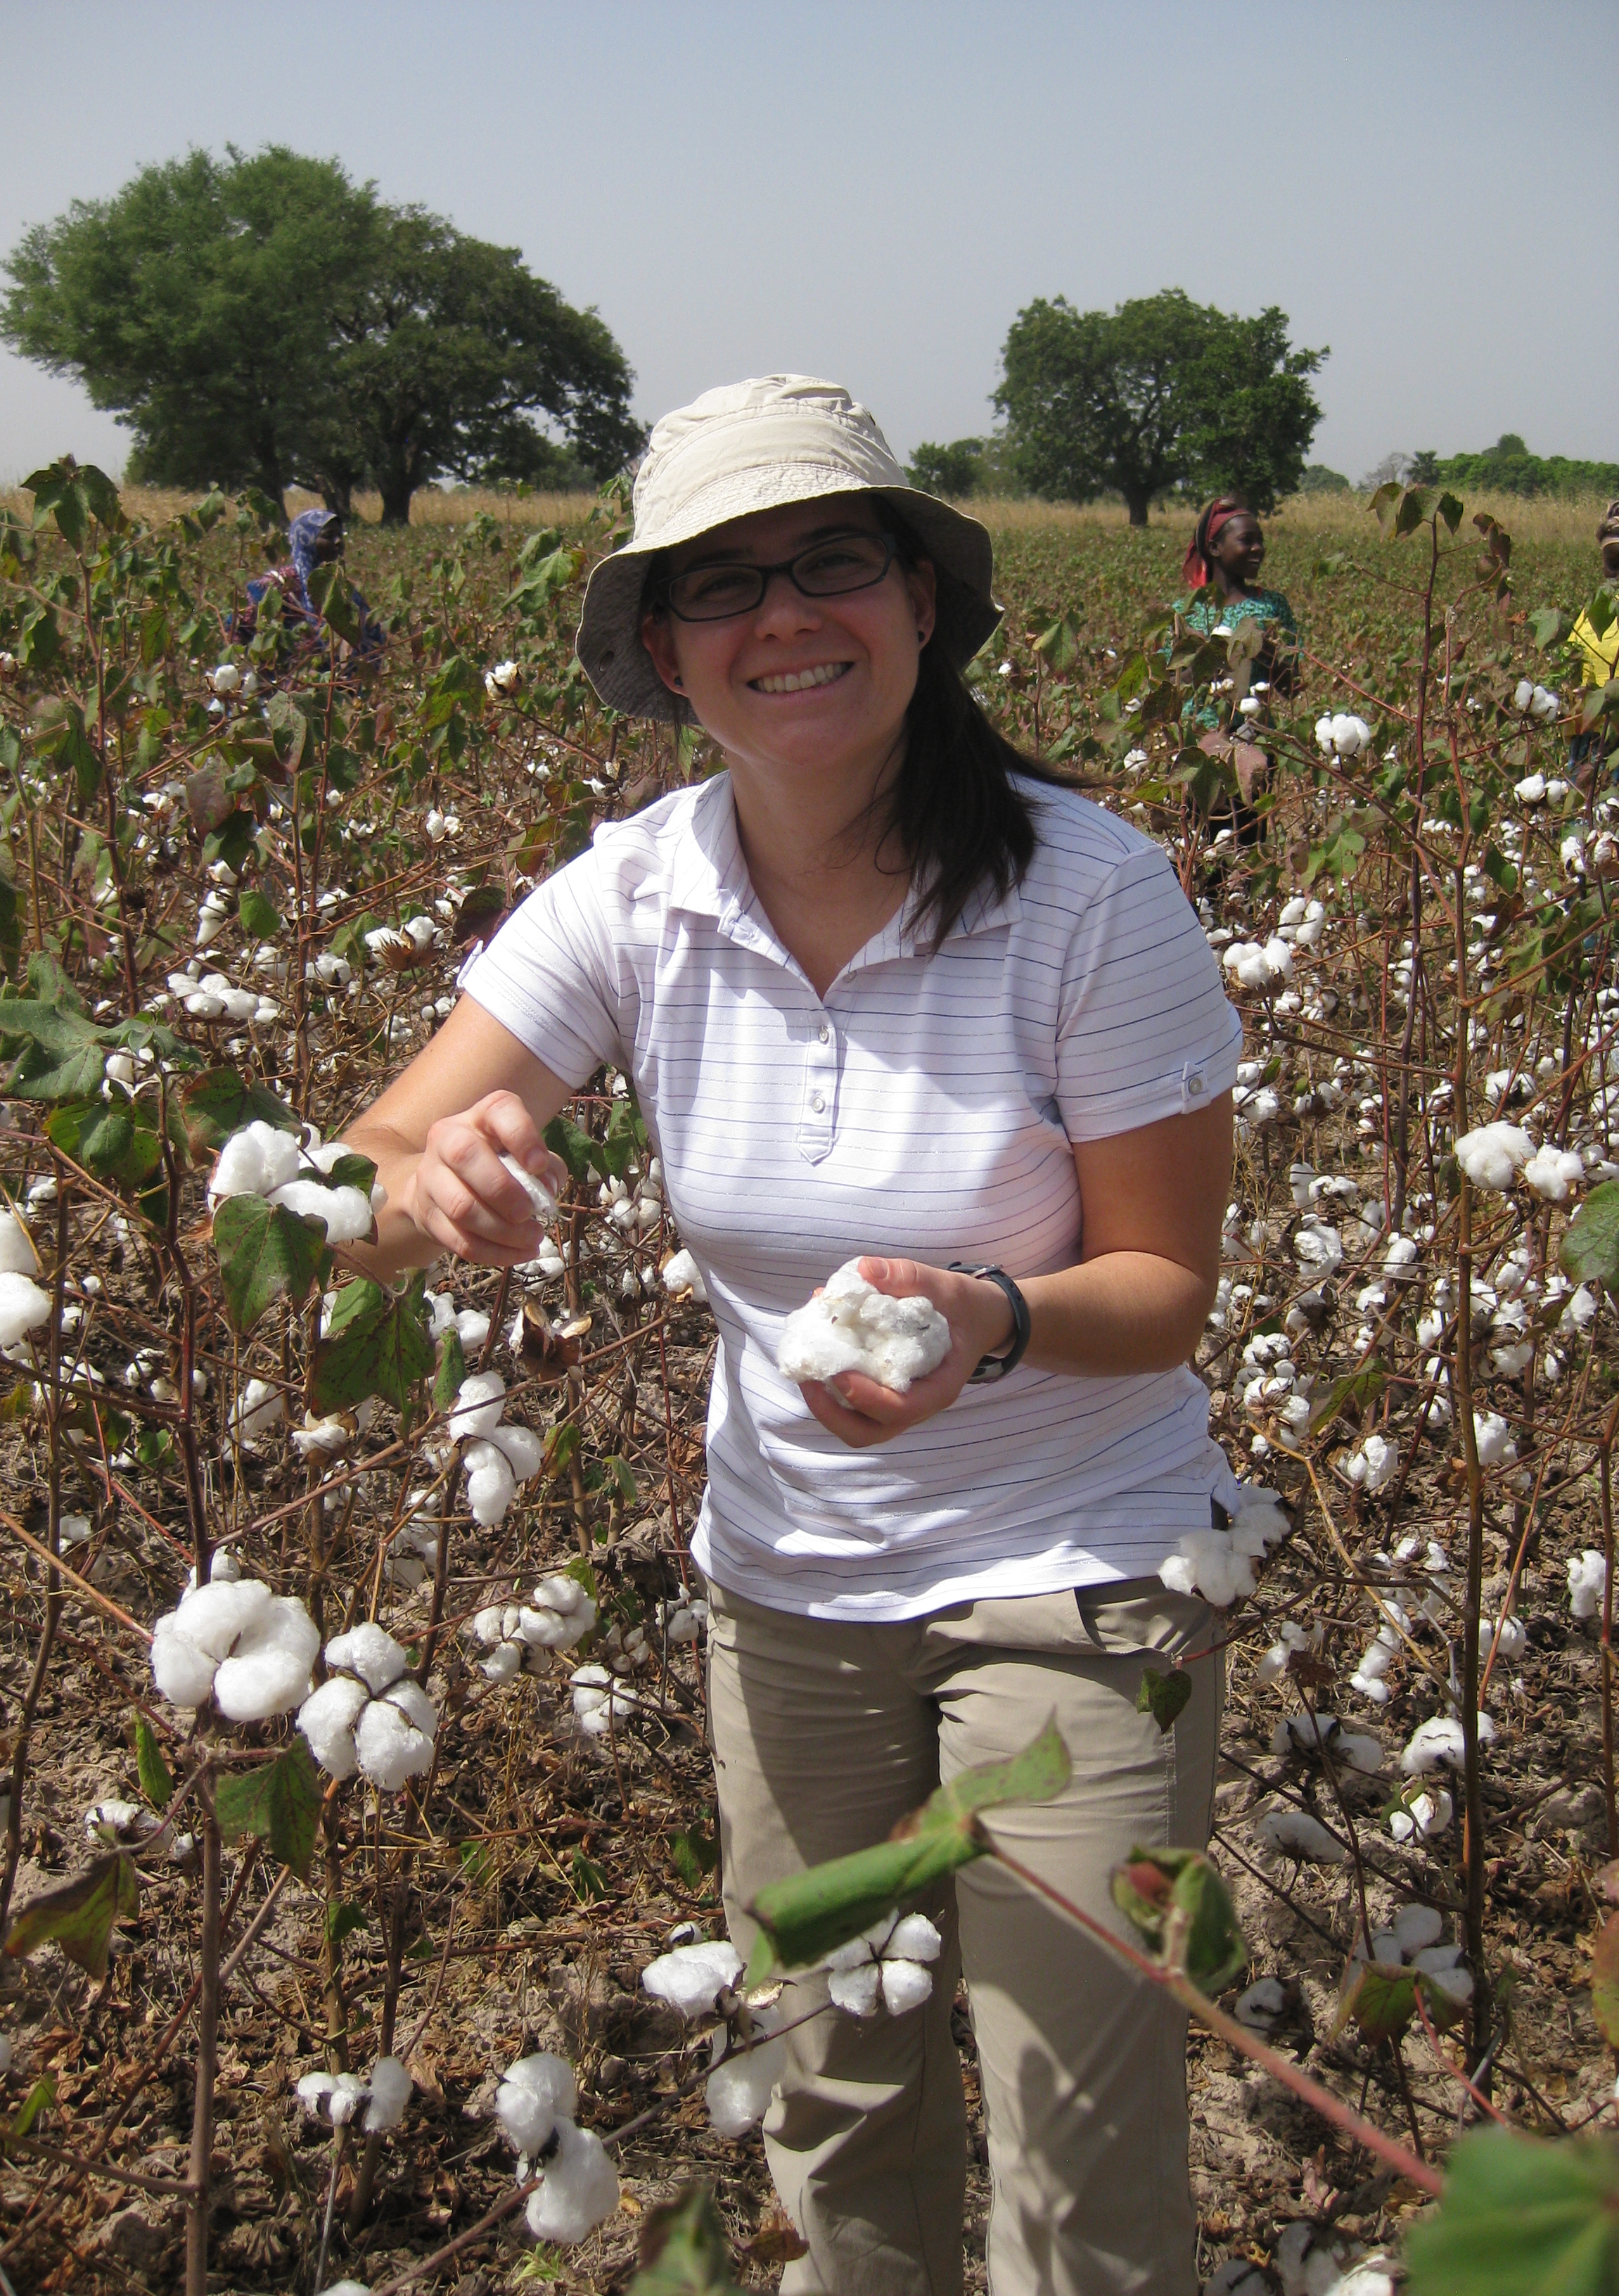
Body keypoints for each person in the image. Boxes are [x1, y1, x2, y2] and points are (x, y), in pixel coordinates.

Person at [343, 376, 1244, 2296]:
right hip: (789, 1595)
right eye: (718, 582)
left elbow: (1163, 1292)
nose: (784, 616)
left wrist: (985, 1321)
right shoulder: (636, 895)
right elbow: (348, 1179)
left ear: (922, 600)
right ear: (664, 655)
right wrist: (428, 1194)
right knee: (834, 2089)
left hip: (1075, 1580)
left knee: (1079, 2156)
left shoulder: (1095, 893)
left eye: (833, 559)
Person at [1173, 496, 1300, 848]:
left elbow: (1294, 683)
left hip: (1253, 743)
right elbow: (1172, 683)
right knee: (1201, 847)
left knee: (1248, 845)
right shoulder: (1186, 613)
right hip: (1199, 748)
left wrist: (1261, 645)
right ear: (1214, 547)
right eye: (1247, 540)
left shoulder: (1272, 607)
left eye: (1261, 541)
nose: (1258, 548)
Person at [229, 506, 385, 662]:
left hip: (342, 682)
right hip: (287, 681)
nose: (338, 542)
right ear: (306, 540)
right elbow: (238, 628)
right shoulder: (278, 584)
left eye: (339, 535)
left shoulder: (341, 587)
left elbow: (373, 634)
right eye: (328, 536)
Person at [1568, 499, 1619, 784]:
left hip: (1589, 743)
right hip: (1599, 739)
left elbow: (1571, 682)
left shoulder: (1590, 613)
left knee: (1585, 822)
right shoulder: (1592, 613)